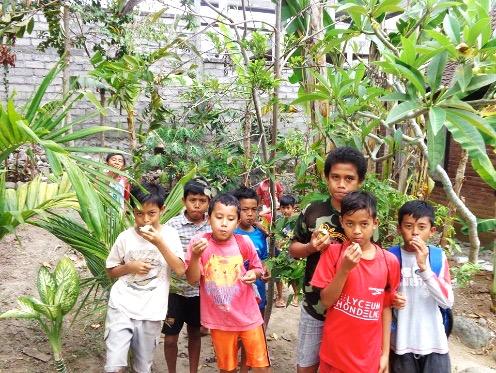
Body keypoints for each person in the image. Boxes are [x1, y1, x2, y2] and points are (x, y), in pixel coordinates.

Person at [289, 146, 367, 373]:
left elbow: (373, 257)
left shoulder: (366, 216)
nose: (341, 184)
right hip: (315, 305)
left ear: (359, 182)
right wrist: (310, 247)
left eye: (349, 178)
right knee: (307, 364)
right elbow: (293, 248)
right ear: (326, 178)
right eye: (335, 177)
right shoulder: (313, 211)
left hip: (350, 309)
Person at [311, 191, 400, 373]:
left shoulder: (389, 262)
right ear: (342, 222)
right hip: (334, 355)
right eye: (350, 224)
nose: (357, 231)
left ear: (375, 224)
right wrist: (344, 269)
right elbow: (326, 301)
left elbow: (385, 309)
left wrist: (384, 355)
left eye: (364, 224)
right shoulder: (333, 254)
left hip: (367, 359)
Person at [185, 193, 271, 373]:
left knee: (261, 366)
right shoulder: (199, 243)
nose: (224, 223)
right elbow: (192, 279)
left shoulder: (244, 242)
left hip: (249, 315)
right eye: (218, 217)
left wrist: (253, 274)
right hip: (220, 320)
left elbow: (257, 268)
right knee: (227, 368)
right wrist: (195, 257)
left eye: (230, 219)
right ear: (209, 219)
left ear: (237, 221)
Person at [104, 183, 185, 373]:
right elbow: (111, 270)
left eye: (151, 213)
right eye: (139, 213)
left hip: (152, 312)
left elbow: (180, 269)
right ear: (132, 211)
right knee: (114, 366)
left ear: (162, 210)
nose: (145, 219)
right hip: (121, 307)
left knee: (143, 367)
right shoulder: (125, 237)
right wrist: (129, 267)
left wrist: (158, 242)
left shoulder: (170, 235)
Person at [389, 200, 454, 373]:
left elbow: (447, 301)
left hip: (435, 343)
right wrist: (391, 299)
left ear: (432, 231)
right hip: (401, 343)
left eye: (422, 227)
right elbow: (380, 296)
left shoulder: (438, 257)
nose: (415, 232)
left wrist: (424, 267)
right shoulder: (390, 257)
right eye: (409, 226)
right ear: (399, 228)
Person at [163, 177, 214, 373]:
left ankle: (194, 370)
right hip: (174, 291)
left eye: (202, 201)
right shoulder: (173, 226)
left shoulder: (212, 225)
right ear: (184, 201)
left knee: (195, 333)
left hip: (200, 292)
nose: (197, 205)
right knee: (170, 338)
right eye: (193, 200)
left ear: (208, 203)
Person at [232, 186, 271, 315]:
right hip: (235, 292)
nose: (250, 213)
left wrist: (266, 270)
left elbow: (263, 258)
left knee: (258, 321)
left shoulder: (260, 234)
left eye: (254, 209)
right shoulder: (229, 234)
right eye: (245, 209)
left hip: (257, 290)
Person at [275, 194, 299, 308]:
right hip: (280, 253)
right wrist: (279, 242)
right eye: (283, 208)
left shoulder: (297, 221)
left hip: (293, 253)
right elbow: (277, 236)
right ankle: (280, 297)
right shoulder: (279, 222)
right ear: (279, 208)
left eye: (288, 208)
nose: (285, 210)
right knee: (278, 275)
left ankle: (296, 295)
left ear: (293, 208)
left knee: (293, 275)